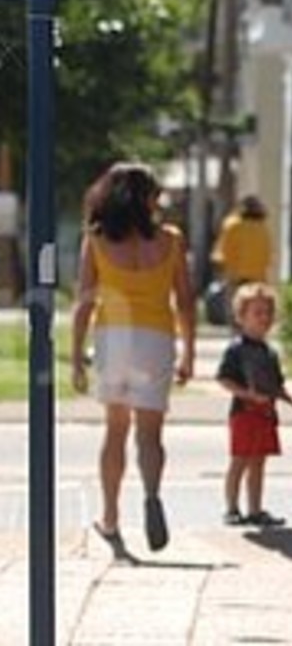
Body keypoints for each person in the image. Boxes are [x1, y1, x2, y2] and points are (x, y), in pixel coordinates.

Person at [71, 162, 196, 558]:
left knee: (115, 430)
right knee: (150, 434)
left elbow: (83, 302)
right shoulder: (171, 240)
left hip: (113, 339)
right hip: (156, 340)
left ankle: (110, 517)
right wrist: (189, 352)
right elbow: (186, 300)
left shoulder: (96, 239)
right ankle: (152, 494)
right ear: (148, 199)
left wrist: (75, 356)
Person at [216, 282, 288, 528]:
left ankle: (255, 509)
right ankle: (231, 508)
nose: (264, 318)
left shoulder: (270, 352)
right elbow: (224, 379)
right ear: (241, 317)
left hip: (266, 414)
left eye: (268, 312)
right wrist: (247, 395)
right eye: (257, 313)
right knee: (240, 460)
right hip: (244, 413)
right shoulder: (236, 349)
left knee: (259, 462)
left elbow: (277, 386)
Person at [209, 195, 272, 325]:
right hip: (258, 278)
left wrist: (220, 268)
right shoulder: (263, 228)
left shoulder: (232, 224)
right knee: (257, 314)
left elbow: (221, 253)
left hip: (237, 278)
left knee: (237, 314)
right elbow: (268, 255)